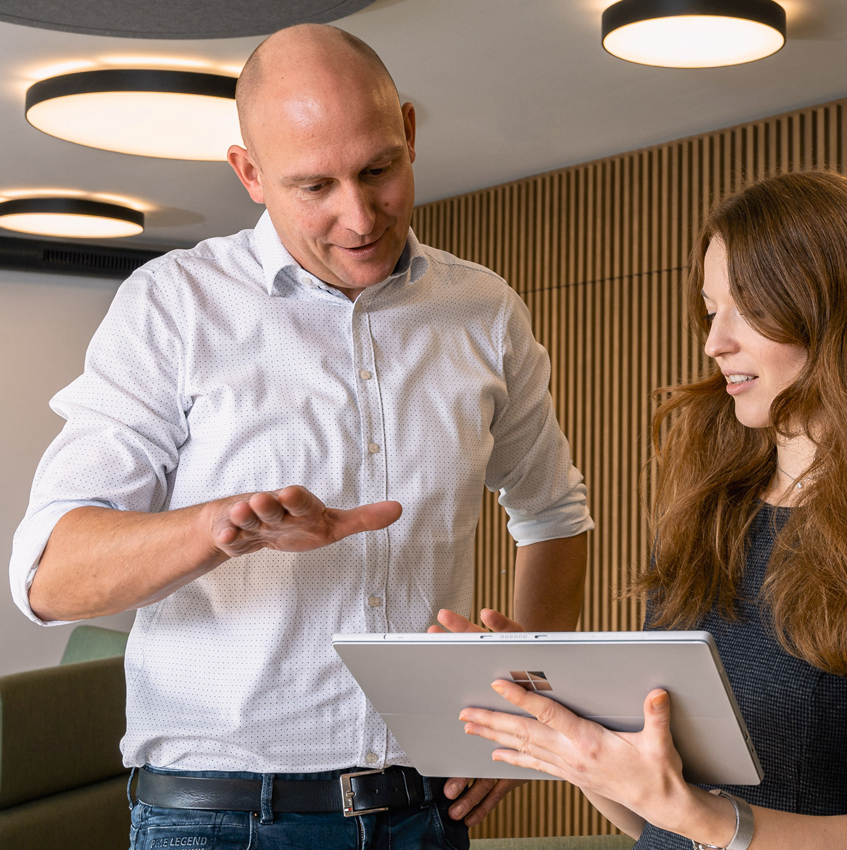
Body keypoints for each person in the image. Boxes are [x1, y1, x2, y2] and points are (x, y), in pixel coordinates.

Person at [8, 23, 593, 850]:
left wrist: (526, 707)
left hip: (423, 812)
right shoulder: (171, 306)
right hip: (214, 818)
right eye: (314, 185)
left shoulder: (484, 310)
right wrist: (216, 529)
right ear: (249, 173)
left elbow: (554, 516)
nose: (359, 217)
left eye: (380, 170)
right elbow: (45, 576)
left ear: (412, 134)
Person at [446, 171, 847, 850]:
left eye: (745, 308)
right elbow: (655, 814)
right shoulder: (710, 513)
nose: (714, 342)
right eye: (712, 309)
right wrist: (576, 737)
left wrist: (698, 816)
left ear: (834, 312)